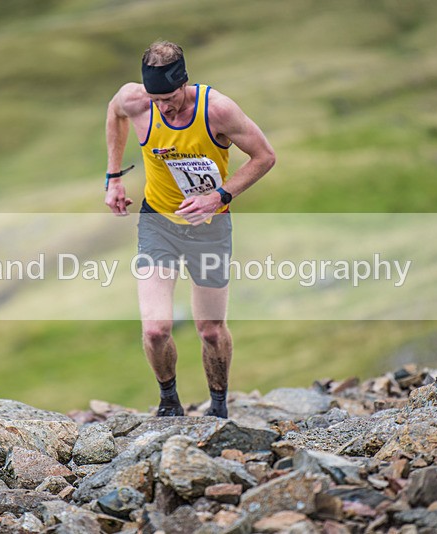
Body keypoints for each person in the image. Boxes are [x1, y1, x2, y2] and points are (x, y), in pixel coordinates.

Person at [104, 40, 275, 418]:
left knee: (211, 330)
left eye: (168, 97)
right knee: (155, 329)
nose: (162, 106)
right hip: (158, 223)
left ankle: (218, 408)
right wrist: (114, 177)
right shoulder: (135, 100)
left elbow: (264, 157)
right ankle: (169, 403)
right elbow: (114, 113)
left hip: (209, 228)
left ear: (184, 83)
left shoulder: (218, 111)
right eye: (155, 98)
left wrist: (220, 195)